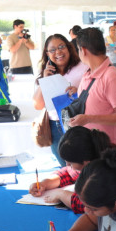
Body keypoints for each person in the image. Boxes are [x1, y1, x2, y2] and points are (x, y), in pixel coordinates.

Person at [30, 126, 116, 212]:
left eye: (70, 162)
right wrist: (45, 183)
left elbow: (92, 204)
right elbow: (69, 173)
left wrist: (61, 194)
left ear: (86, 162)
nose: (67, 166)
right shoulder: (95, 152)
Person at [31, 34, 87, 165]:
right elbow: (37, 105)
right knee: (65, 167)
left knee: (82, 167)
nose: (58, 52)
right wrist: (45, 80)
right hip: (56, 126)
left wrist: (78, 92)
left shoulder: (82, 67)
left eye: (61, 47)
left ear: (68, 48)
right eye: (52, 50)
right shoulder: (46, 72)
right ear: (47, 53)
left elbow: (93, 92)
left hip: (79, 123)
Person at [70, 27, 116, 144]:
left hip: (106, 150)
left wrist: (88, 118)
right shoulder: (88, 72)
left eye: (78, 49)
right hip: (89, 145)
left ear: (83, 50)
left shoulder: (111, 76)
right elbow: (97, 96)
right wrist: (77, 91)